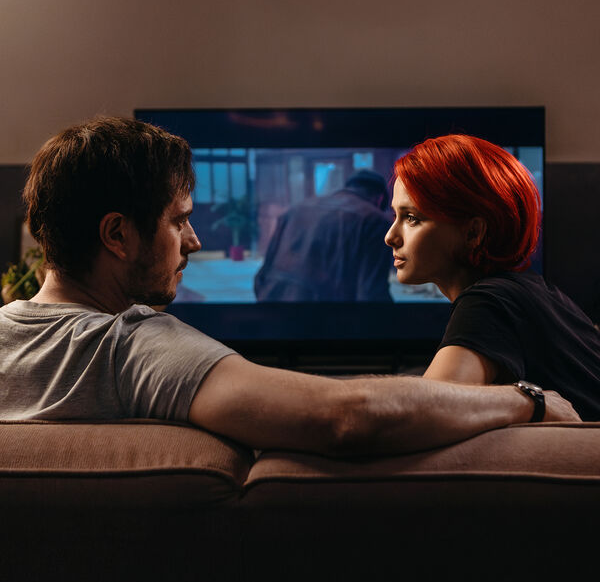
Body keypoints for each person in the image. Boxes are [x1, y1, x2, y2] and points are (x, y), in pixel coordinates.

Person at [0, 118, 580, 458]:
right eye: (179, 221)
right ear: (117, 235)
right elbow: (346, 418)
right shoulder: (136, 348)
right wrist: (527, 400)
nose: (195, 240)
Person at [385, 134, 600, 420]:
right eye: (395, 216)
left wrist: (528, 402)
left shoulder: (489, 303)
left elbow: (420, 418)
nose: (390, 236)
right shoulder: (532, 291)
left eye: (412, 218)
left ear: (473, 232)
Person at [254, 169, 393, 302]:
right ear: (380, 199)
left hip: (272, 305)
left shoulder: (296, 210)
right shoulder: (375, 220)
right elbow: (371, 294)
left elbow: (261, 277)